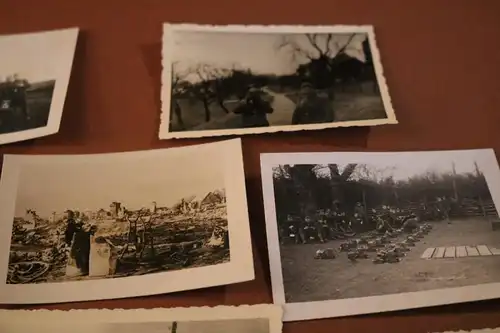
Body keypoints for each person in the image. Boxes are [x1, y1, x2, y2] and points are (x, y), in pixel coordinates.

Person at [64, 210, 93, 276]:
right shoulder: (71, 223)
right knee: (81, 254)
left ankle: (83, 270)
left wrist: (82, 228)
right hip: (74, 242)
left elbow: (74, 230)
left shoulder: (71, 222)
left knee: (80, 255)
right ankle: (83, 270)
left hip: (74, 242)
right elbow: (73, 232)